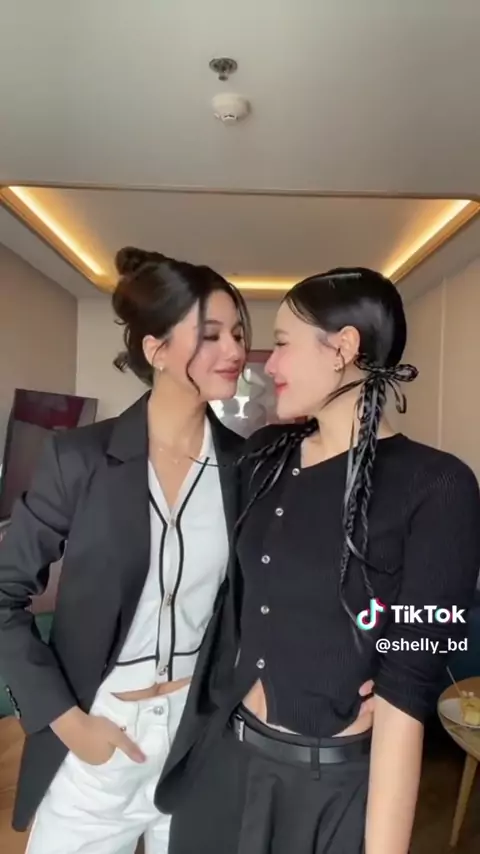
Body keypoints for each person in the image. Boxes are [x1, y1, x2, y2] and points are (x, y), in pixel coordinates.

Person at [161, 267, 480, 854]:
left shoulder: (439, 486)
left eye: (283, 343)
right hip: (222, 765)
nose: (270, 365)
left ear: (344, 347)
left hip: (327, 791)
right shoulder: (264, 456)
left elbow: (408, 689)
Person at [0, 246, 251, 854]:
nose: (235, 350)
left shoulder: (247, 468)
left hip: (197, 746)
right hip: (98, 739)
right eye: (211, 335)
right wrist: (69, 723)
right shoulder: (79, 459)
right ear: (156, 350)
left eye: (239, 334)